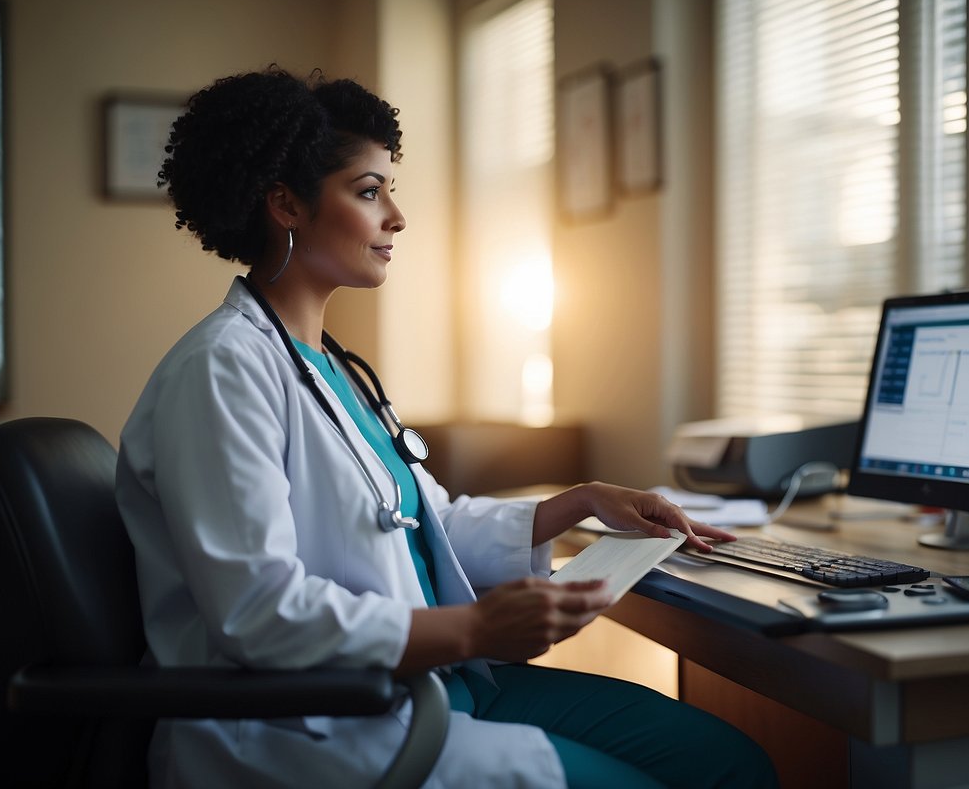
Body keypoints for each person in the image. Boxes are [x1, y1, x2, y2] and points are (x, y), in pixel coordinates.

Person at [115, 66, 778, 789]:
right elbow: (257, 612)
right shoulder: (221, 370)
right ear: (286, 205)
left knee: (730, 766)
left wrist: (582, 499)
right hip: (317, 725)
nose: (396, 216)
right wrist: (472, 629)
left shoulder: (328, 367)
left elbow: (423, 525)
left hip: (440, 683)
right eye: (369, 192)